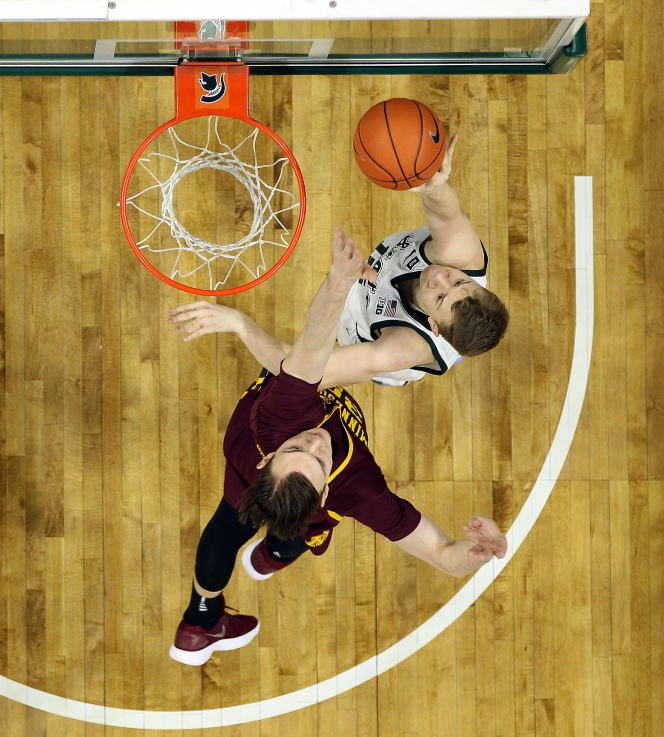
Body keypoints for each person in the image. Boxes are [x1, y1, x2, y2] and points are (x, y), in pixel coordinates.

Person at [169, 227, 507, 667]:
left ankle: (204, 617)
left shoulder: (284, 415)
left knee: (234, 522)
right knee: (284, 531)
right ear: (325, 494)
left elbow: (312, 344)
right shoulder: (355, 488)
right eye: (317, 458)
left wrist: (337, 283)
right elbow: (444, 556)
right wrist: (485, 552)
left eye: (300, 450)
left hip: (247, 446)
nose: (314, 441)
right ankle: (264, 562)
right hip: (255, 468)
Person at [168, 133, 509, 387]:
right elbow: (445, 213)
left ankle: (449, 348)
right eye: (459, 281)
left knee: (322, 335)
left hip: (361, 331)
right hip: (378, 291)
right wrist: (433, 185)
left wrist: (240, 324)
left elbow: (300, 370)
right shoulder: (462, 257)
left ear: (433, 327)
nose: (440, 278)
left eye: (439, 296)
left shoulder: (403, 348)